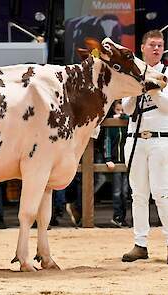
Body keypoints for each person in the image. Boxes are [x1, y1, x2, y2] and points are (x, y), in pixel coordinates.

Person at [121, 30, 168, 263]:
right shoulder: (132, 74)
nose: (156, 49)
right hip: (136, 138)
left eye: (160, 45)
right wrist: (138, 89)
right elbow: (127, 109)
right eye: (152, 45)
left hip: (161, 139)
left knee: (162, 193)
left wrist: (154, 89)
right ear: (142, 47)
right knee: (138, 194)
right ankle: (140, 244)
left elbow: (167, 107)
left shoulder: (167, 73)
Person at [104, 100, 130, 228]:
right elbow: (107, 140)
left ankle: (123, 217)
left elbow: (130, 118)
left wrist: (123, 116)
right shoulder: (110, 123)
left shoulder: (128, 122)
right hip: (115, 161)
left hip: (126, 161)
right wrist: (108, 158)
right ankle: (117, 217)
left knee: (125, 192)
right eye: (117, 110)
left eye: (122, 110)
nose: (120, 113)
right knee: (116, 191)